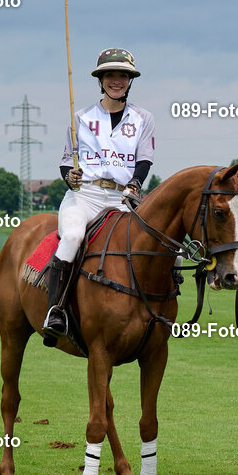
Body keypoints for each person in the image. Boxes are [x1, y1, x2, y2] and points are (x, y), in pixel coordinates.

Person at [42, 48, 155, 344]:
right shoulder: (80, 117)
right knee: (72, 237)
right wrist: (70, 176)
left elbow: (144, 159)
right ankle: (56, 311)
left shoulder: (143, 118)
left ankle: (158, 303)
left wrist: (134, 184)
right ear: (101, 80)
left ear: (130, 80)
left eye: (122, 76)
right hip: (87, 195)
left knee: (157, 236)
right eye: (110, 76)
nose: (116, 81)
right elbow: (67, 160)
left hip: (123, 197)